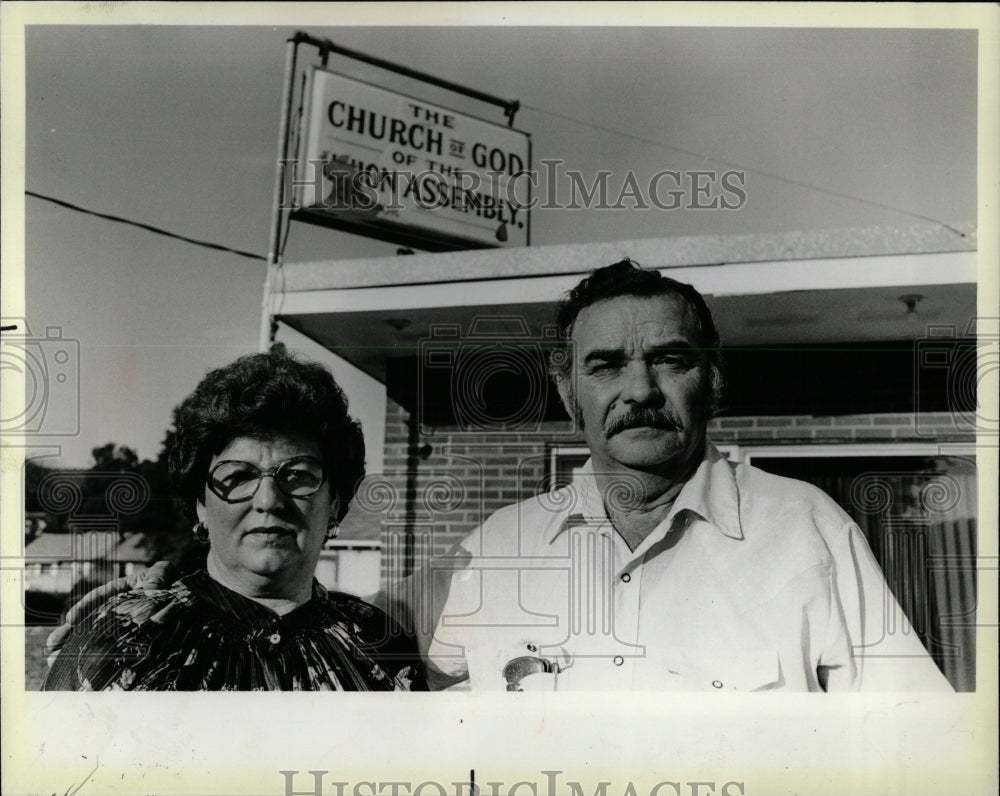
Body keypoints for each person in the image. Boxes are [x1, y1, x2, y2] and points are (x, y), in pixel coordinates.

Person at [49, 261, 952, 692]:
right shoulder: (499, 549)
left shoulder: (810, 533)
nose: (637, 391)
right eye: (605, 366)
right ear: (567, 389)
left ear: (712, 378)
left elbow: (915, 755)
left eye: (668, 360)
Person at [43, 352, 425, 691]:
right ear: (201, 507)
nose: (269, 500)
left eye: (298, 475)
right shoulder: (124, 642)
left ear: (336, 502)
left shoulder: (380, 643)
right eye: (238, 477)